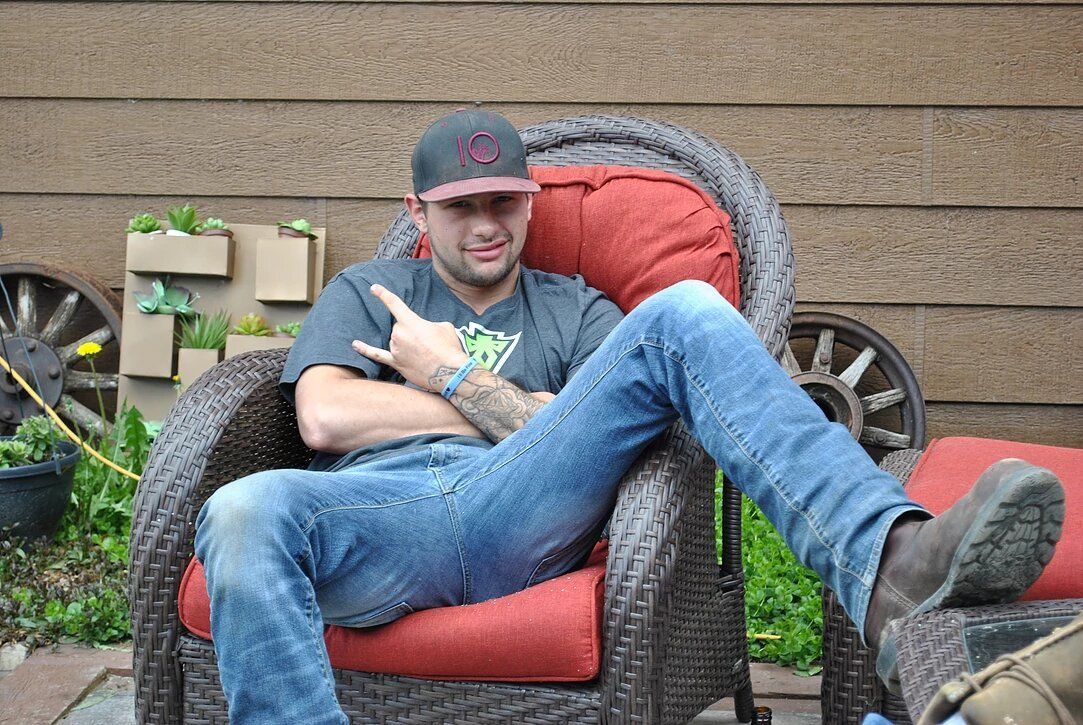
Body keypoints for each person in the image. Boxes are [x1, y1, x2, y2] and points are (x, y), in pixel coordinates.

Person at [194, 109, 1066, 724]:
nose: (488, 224)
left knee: (684, 311)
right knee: (240, 508)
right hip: (378, 524)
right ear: (420, 213)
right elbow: (324, 416)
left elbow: (599, 440)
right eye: (462, 205)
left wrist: (447, 373)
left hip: (520, 516)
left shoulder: (579, 309)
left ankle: (890, 563)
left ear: (530, 198)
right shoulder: (369, 290)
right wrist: (522, 413)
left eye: (504, 200)